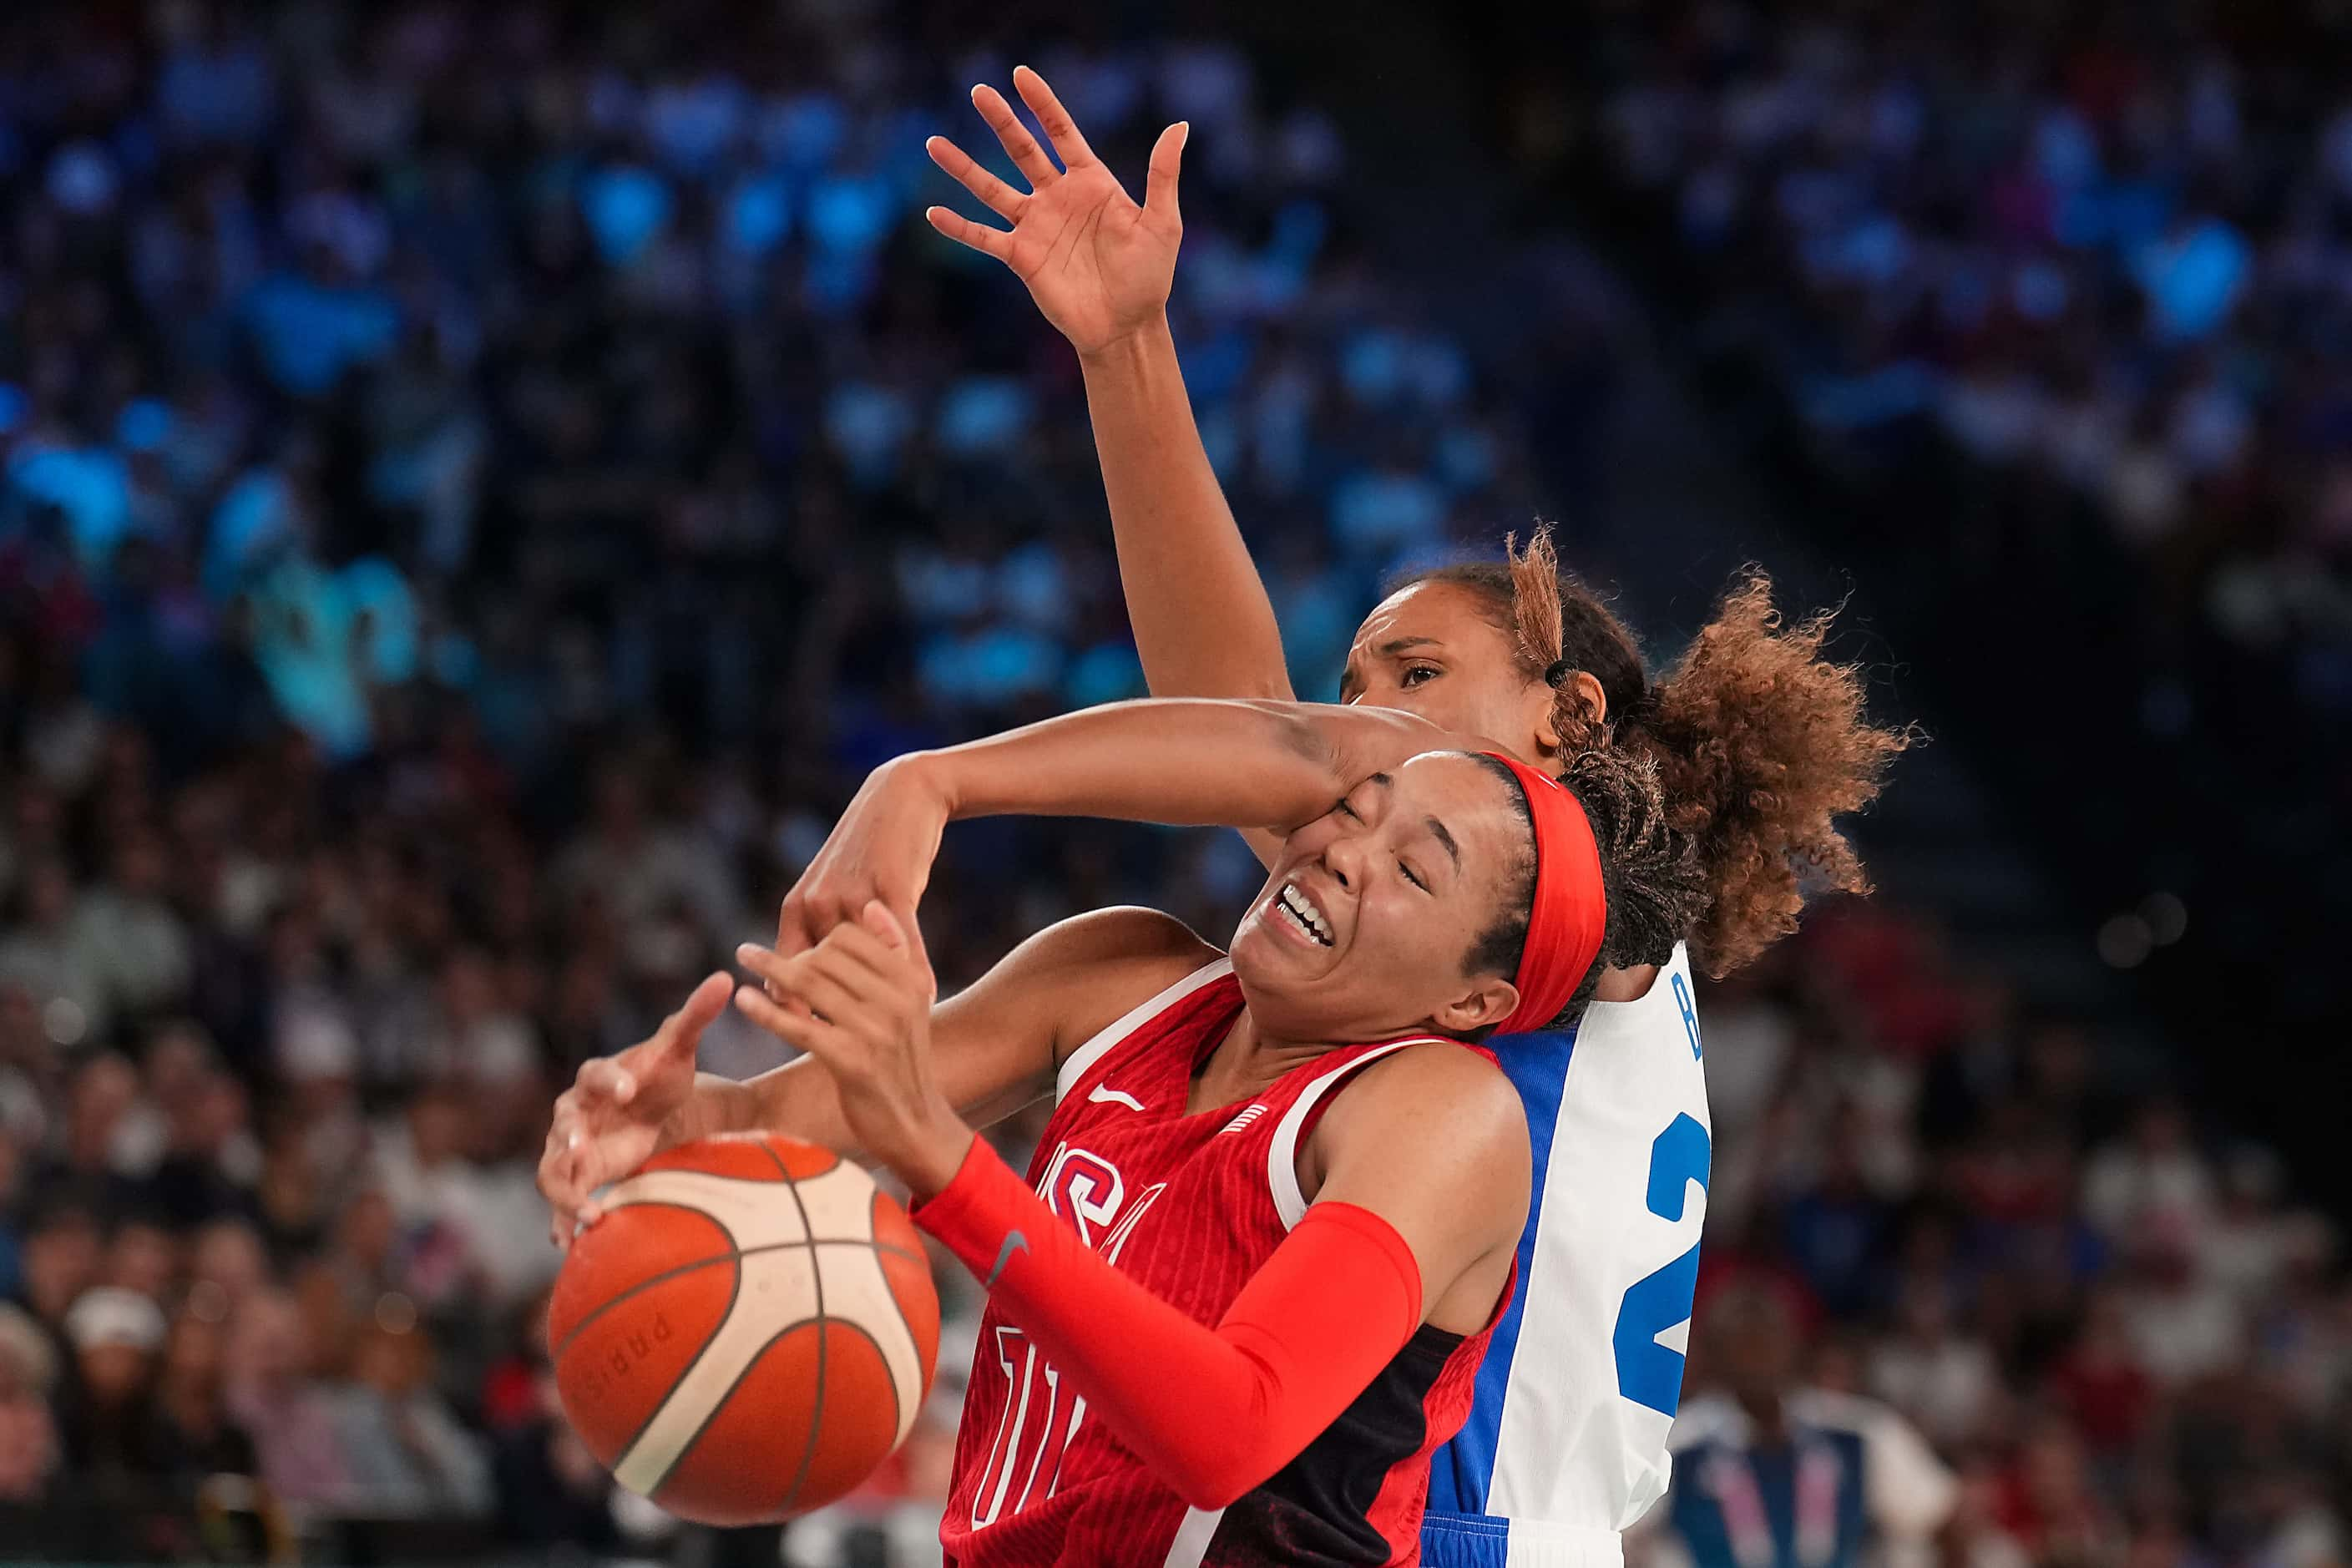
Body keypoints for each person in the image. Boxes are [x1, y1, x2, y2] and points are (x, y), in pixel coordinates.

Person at [923, 68, 1909, 1568]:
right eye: (1360, 684)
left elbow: (1264, 729)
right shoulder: (1470, 895)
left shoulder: (1591, 916)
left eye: (1418, 677)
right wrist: (1126, 352)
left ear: (1568, 721)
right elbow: (1241, 703)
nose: (1363, 726)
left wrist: (942, 776)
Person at [545, 695, 1702, 1565]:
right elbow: (786, 1130)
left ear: (1471, 1002)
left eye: (1412, 867)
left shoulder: (1444, 1115)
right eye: (1354, 809)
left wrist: (945, 1165)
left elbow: (1228, 1427)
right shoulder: (1119, 972)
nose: (1344, 849)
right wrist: (666, 1129)